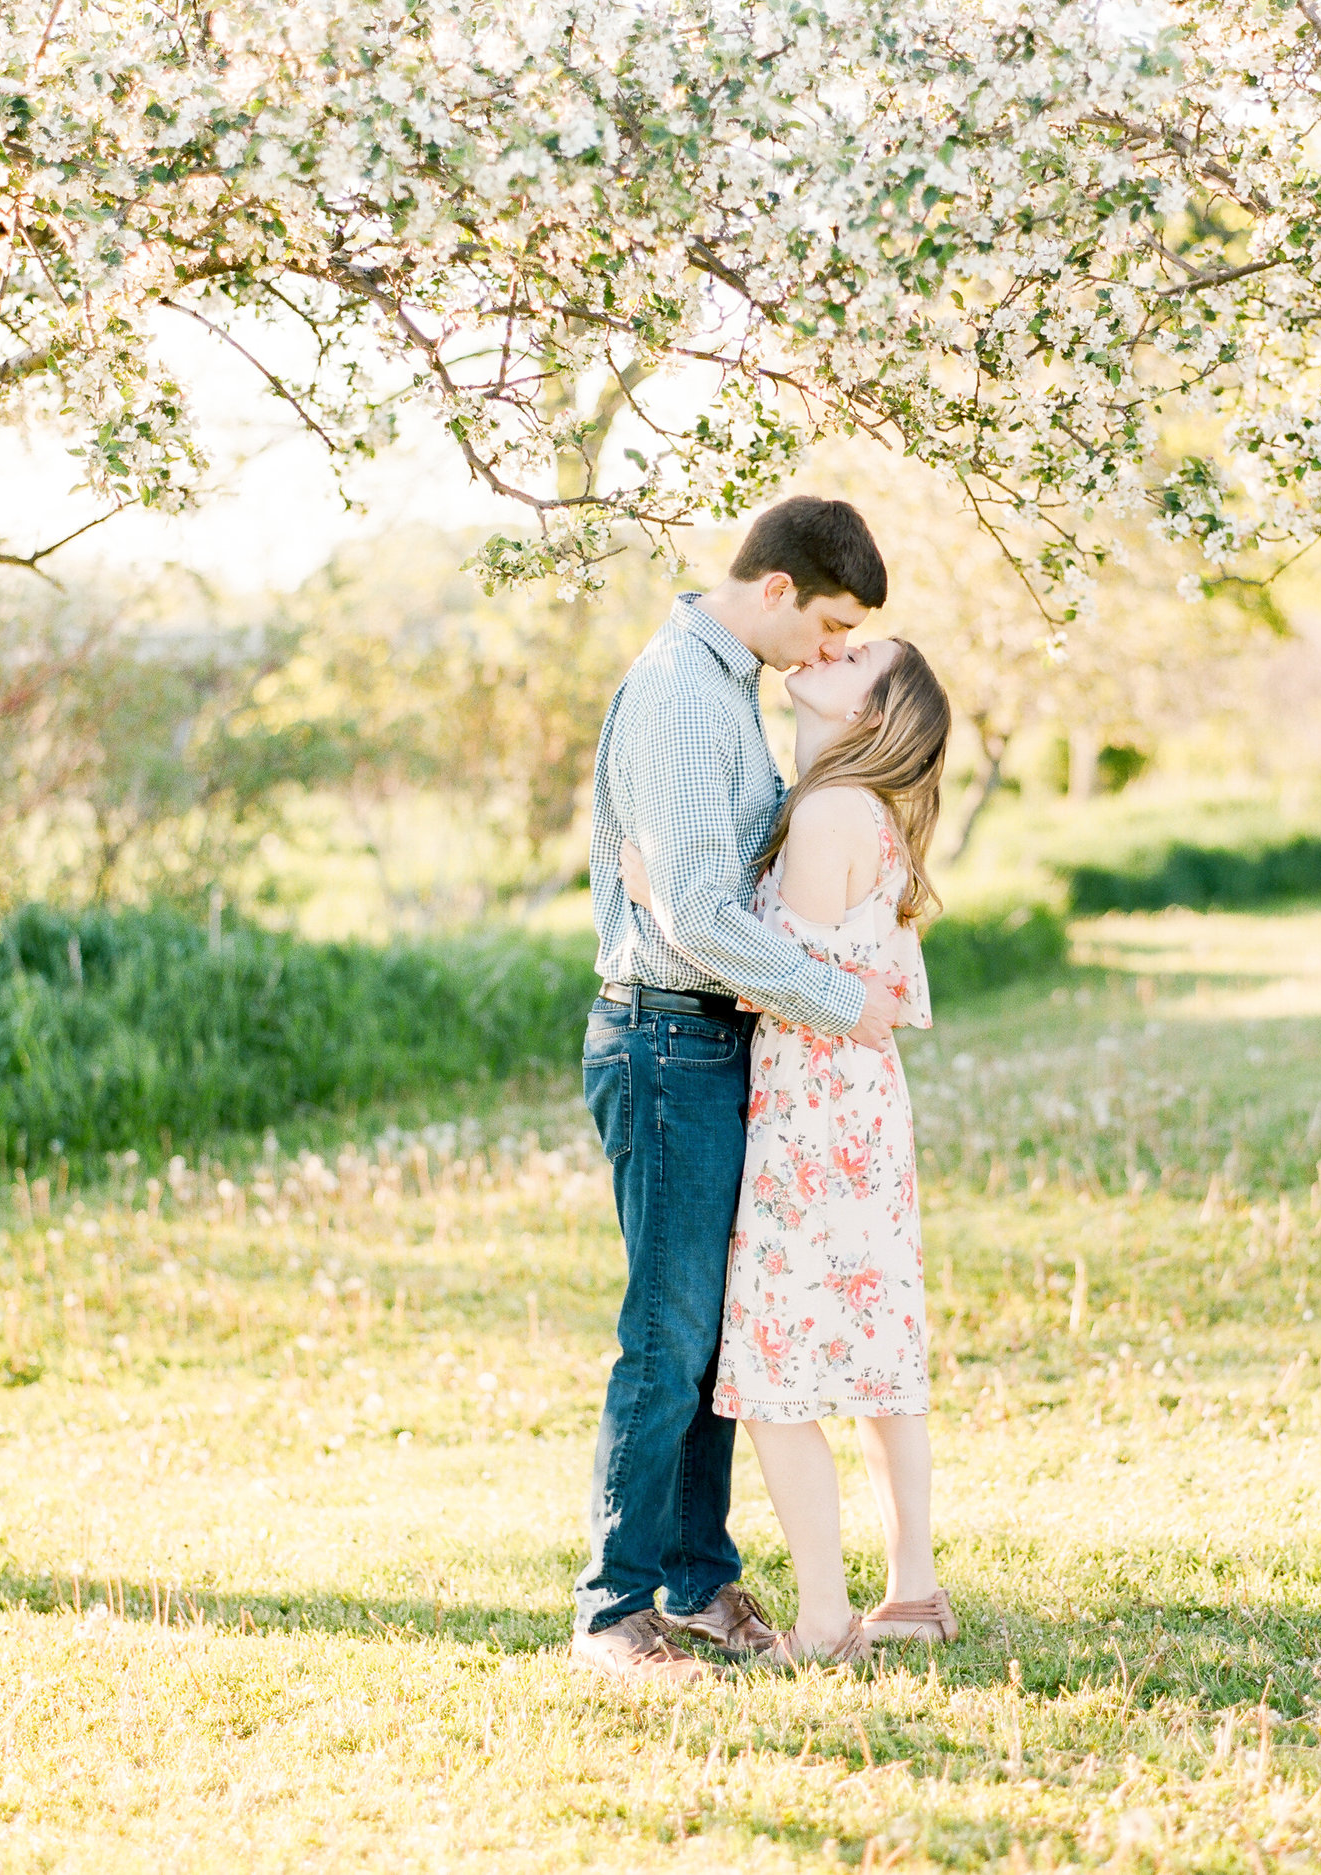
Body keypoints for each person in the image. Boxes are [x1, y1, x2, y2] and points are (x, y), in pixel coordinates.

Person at [569, 496, 903, 1686]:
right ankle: (614, 1610)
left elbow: (710, 889)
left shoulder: (728, 690)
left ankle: (698, 1583)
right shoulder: (677, 695)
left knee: (718, 1338)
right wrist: (833, 998)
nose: (829, 651)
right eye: (828, 625)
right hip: (666, 1043)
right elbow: (700, 917)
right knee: (666, 1336)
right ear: (774, 592)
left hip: (715, 1044)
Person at [635, 634, 957, 1665]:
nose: (832, 648)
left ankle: (826, 1623)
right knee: (874, 1359)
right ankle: (911, 1591)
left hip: (812, 1114)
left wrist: (659, 899)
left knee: (773, 1374)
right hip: (856, 1109)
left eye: (858, 656)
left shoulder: (825, 814)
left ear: (871, 713)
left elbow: (777, 978)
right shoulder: (863, 813)